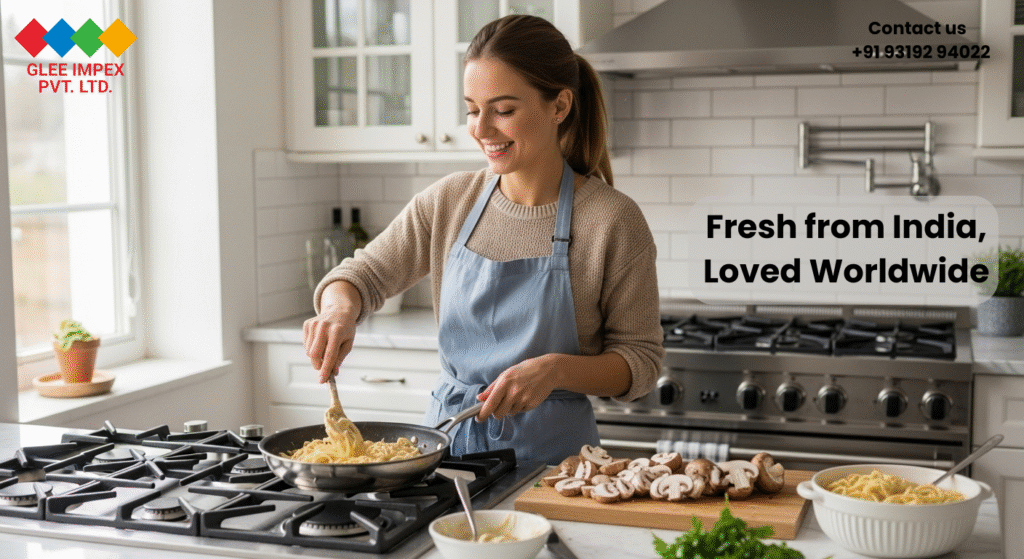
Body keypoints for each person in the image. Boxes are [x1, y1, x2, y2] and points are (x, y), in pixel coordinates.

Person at [303, 14, 663, 465]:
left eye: (503, 110)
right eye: (473, 109)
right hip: (446, 454)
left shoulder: (613, 220)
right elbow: (361, 275)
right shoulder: (451, 200)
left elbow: (641, 362)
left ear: (560, 106)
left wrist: (555, 370)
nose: (481, 129)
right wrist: (338, 311)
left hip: (555, 468)